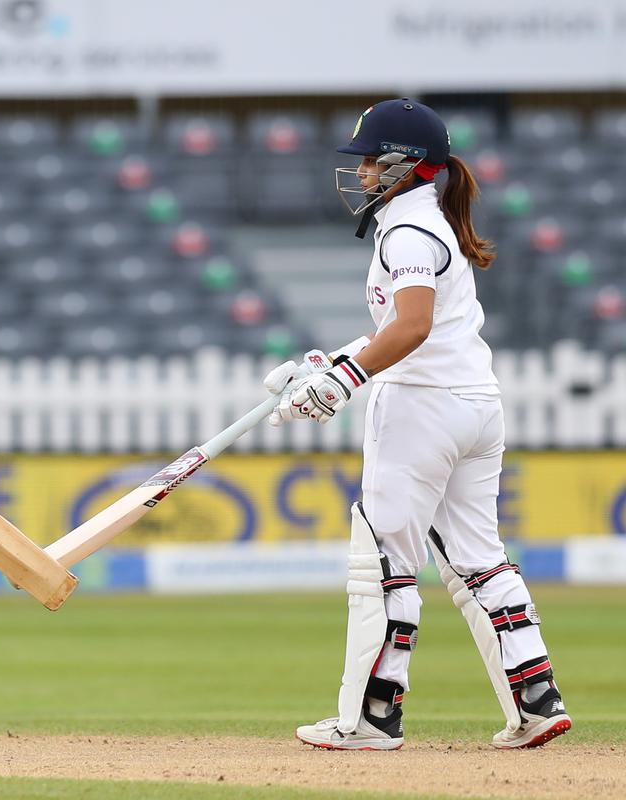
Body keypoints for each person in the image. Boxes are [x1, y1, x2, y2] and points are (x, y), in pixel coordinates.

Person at [264, 98, 571, 751]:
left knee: (383, 563)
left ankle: (371, 718)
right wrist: (333, 363)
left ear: (405, 165)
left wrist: (343, 383)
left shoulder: (407, 231)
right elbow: (407, 331)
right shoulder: (429, 222)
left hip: (420, 407)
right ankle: (536, 700)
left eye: (372, 160)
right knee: (480, 561)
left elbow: (411, 328)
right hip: (474, 405)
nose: (363, 172)